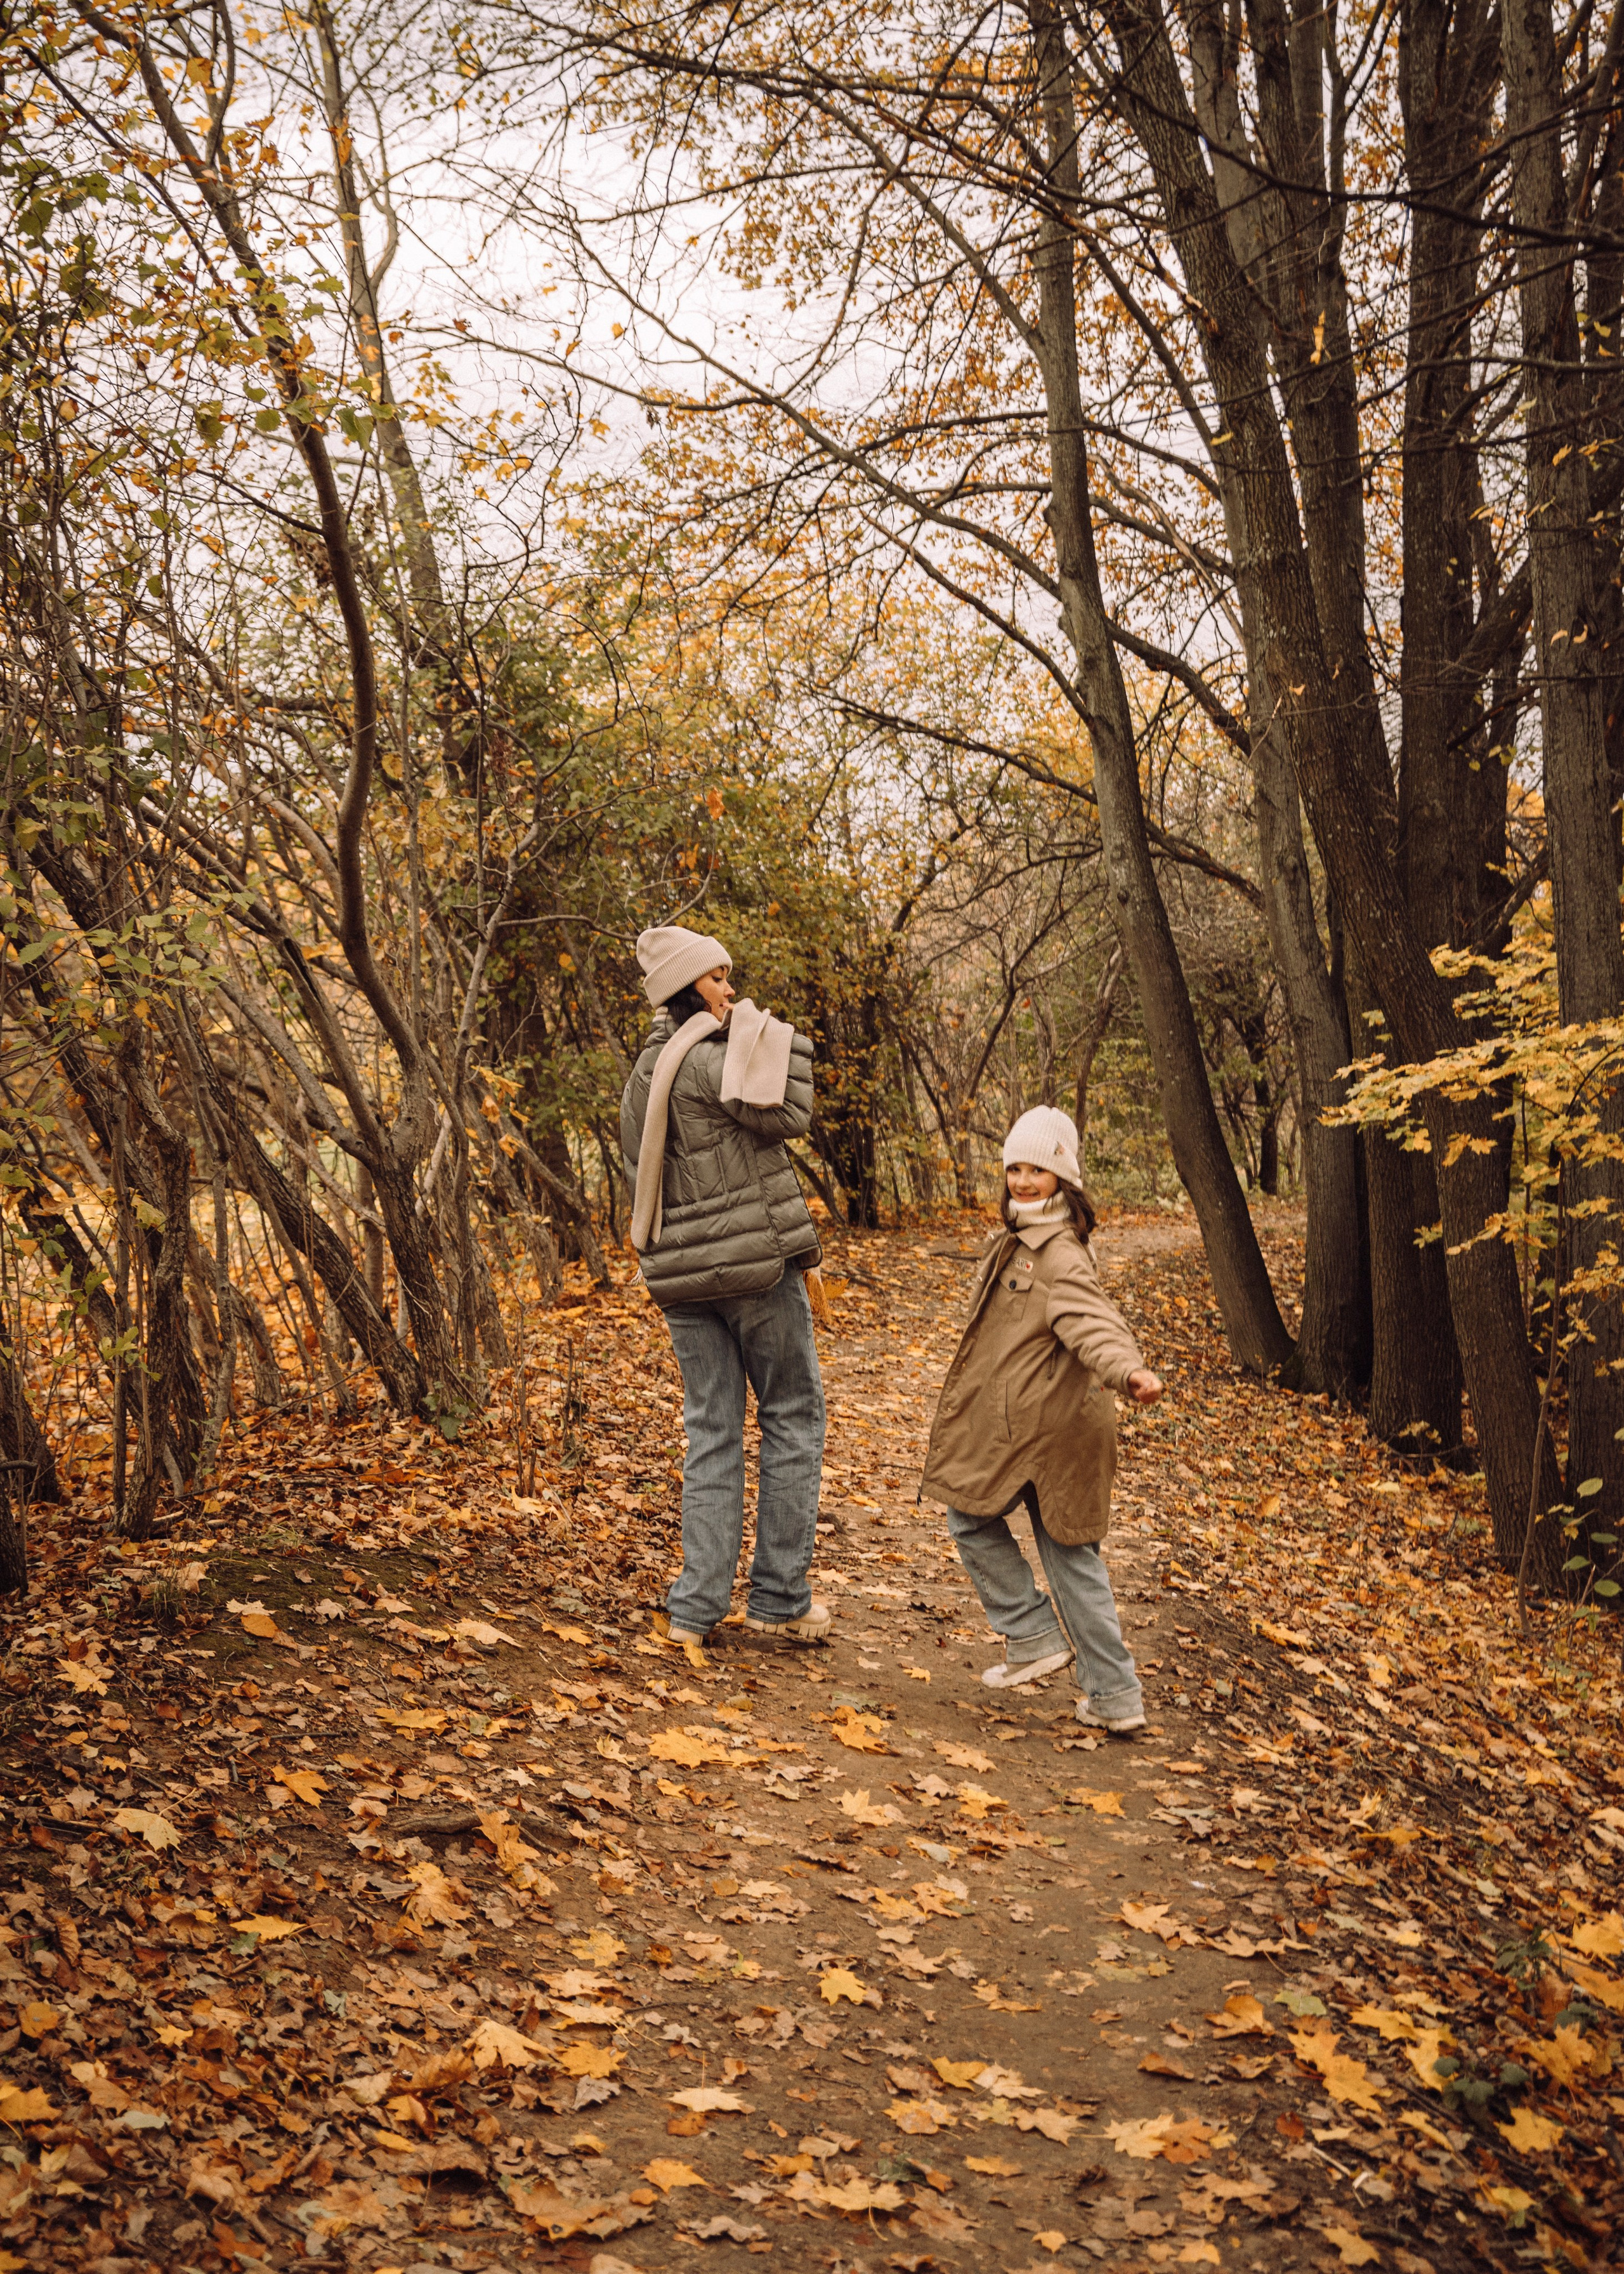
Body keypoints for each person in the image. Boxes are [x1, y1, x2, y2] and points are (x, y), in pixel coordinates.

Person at [919, 1105, 1163, 1733]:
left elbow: (1092, 1321)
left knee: (977, 1518)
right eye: (1015, 1168)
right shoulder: (1023, 1239)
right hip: (1036, 1419)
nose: (1024, 1181)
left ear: (1064, 1178)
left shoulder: (1058, 1254)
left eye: (1039, 1169)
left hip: (1046, 1429)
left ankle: (1031, 1634)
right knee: (1064, 1553)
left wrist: (1127, 1369)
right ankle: (1114, 1692)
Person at [621, 923, 830, 1646]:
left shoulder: (642, 1075)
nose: (731, 989)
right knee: (792, 1415)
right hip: (752, 1272)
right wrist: (763, 1031)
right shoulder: (712, 1059)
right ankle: (778, 1598)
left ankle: (693, 1610)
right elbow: (793, 1114)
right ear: (685, 989)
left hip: (679, 1281)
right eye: (717, 977)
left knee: (711, 1431)